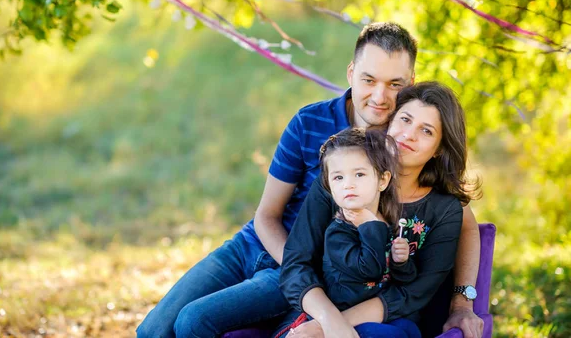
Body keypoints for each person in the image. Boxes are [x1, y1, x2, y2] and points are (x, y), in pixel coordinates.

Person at [136, 22, 482, 338]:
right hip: (262, 247)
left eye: (395, 84)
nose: (379, 97)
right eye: (368, 80)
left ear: (410, 84)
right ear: (351, 73)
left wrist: (462, 303)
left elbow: (455, 216)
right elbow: (266, 216)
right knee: (154, 331)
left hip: (310, 269)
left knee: (194, 321)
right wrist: (303, 273)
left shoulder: (401, 147)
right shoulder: (310, 123)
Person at [279, 82, 480, 338]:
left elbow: (412, 294)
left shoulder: (444, 209)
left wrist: (330, 327)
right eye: (404, 119)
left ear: (439, 149)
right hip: (319, 310)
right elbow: (297, 262)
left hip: (389, 325)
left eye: (426, 131)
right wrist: (326, 321)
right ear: (390, 121)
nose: (408, 134)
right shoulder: (345, 180)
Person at [318, 128, 415, 311]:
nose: (348, 184)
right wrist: (370, 225)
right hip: (346, 313)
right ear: (329, 186)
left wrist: (401, 262)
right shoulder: (337, 233)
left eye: (359, 174)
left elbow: (406, 281)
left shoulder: (389, 222)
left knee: (410, 329)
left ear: (382, 180)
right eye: (338, 177)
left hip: (380, 310)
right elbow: (370, 271)